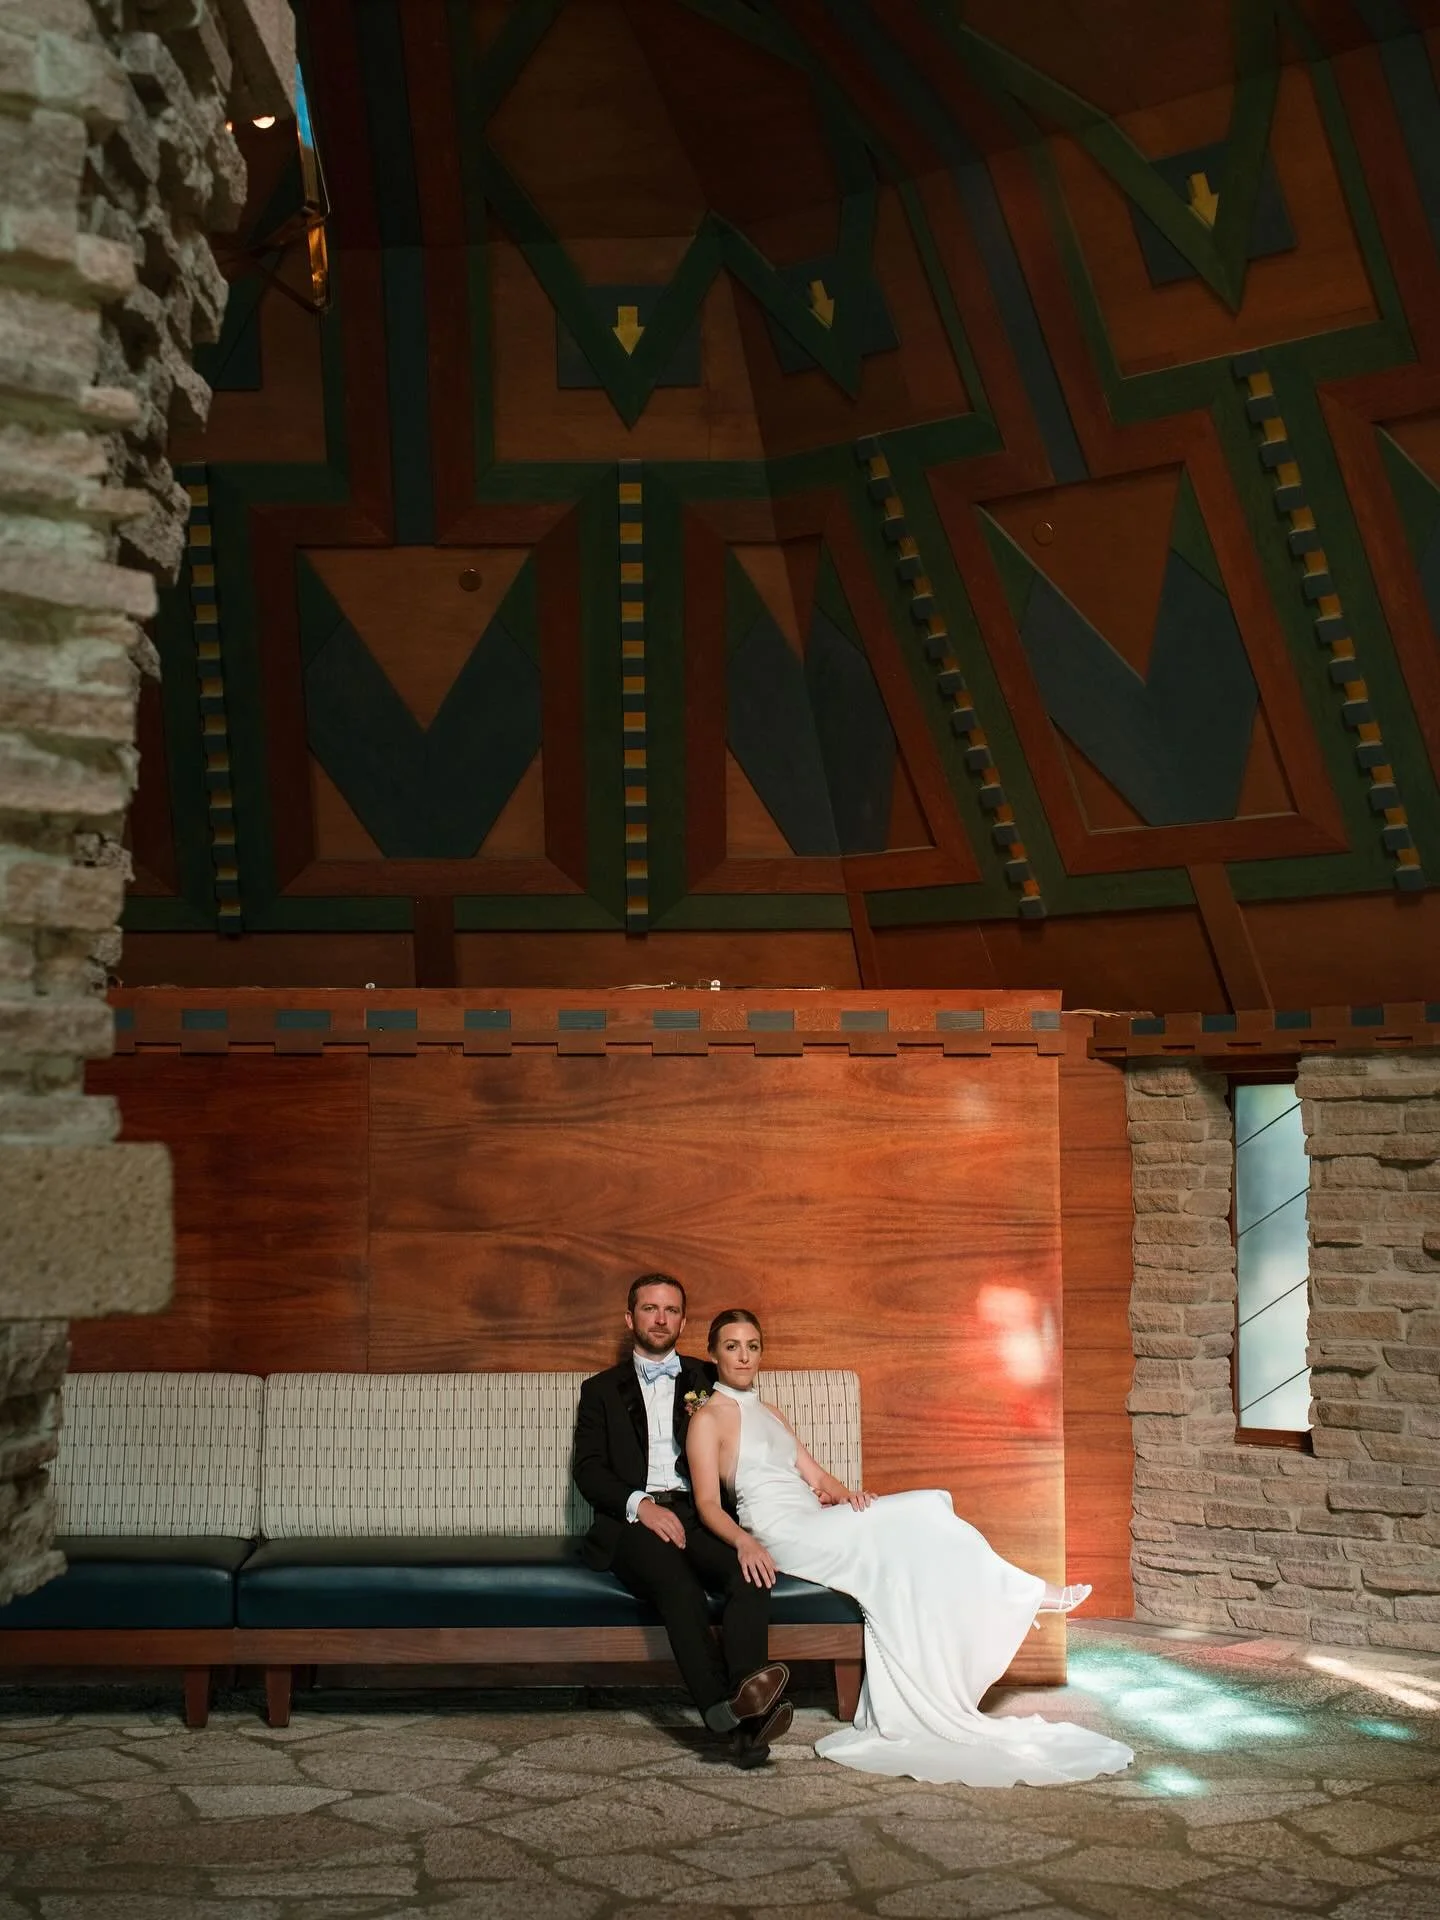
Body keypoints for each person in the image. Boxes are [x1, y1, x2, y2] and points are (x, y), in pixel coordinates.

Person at [685, 1308, 1135, 1788]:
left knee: (922, 1520)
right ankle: (1023, 1592)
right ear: (713, 1354)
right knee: (925, 1507)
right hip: (781, 1532)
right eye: (732, 1346)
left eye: (752, 1346)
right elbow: (708, 1505)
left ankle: (1010, 1597)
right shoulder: (707, 1419)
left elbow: (814, 1475)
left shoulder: (770, 1412)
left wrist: (847, 1496)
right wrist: (745, 1542)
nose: (744, 1356)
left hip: (815, 1519)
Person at [572, 1275, 793, 1768]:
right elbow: (588, 1472)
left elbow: (754, 1436)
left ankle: (738, 1717)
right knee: (678, 1585)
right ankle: (736, 1717)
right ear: (631, 1319)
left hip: (697, 1513)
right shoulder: (600, 1391)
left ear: (684, 1321)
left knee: (749, 1574)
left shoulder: (705, 1378)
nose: (660, 1318)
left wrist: (805, 1490)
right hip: (632, 1522)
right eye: (649, 1309)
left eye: (670, 1310)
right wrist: (642, 1506)